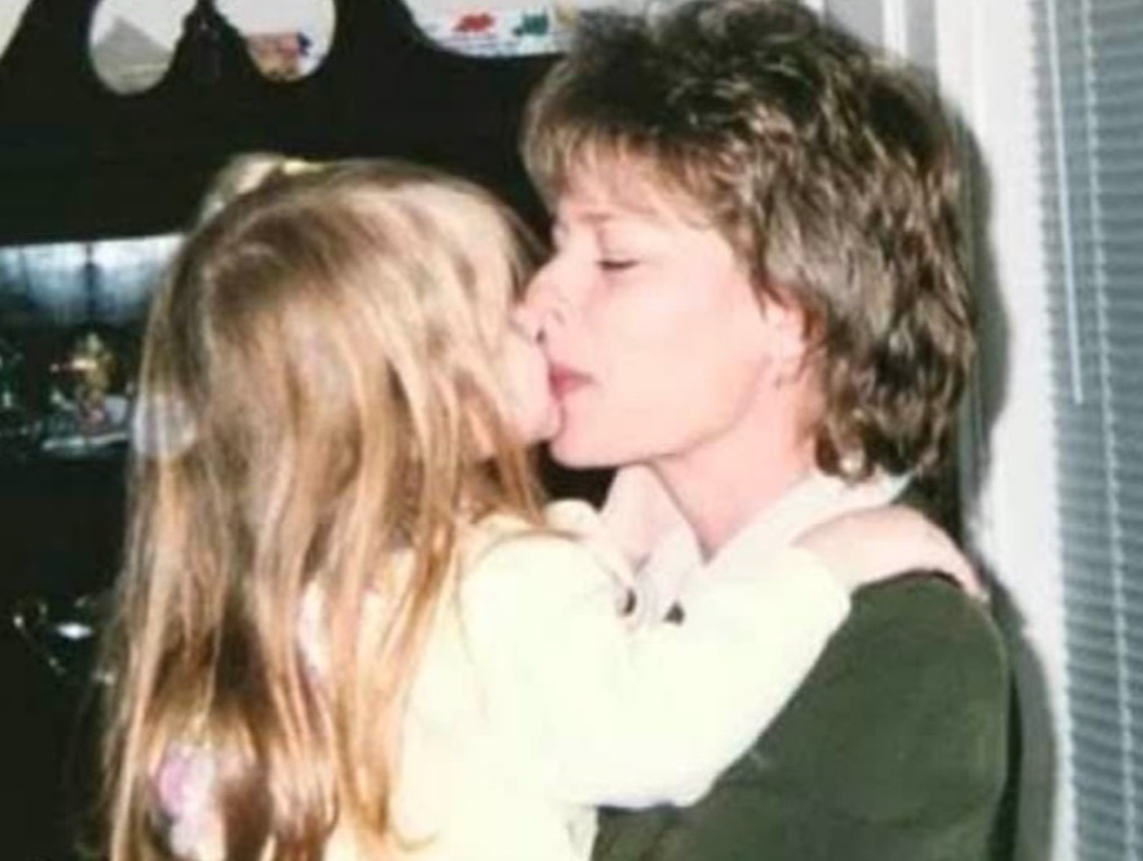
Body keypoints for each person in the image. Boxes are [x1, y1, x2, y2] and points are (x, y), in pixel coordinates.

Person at [98, 156, 977, 861]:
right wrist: (827, 562)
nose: (544, 306)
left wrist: (615, 537)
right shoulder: (502, 584)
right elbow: (651, 732)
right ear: (435, 393)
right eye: (511, 321)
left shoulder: (311, 604)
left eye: (615, 258)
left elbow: (492, 676)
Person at [521, 0, 1011, 861]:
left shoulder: (905, 650)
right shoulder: (606, 581)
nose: (539, 298)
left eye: (616, 258)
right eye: (558, 246)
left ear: (793, 315)